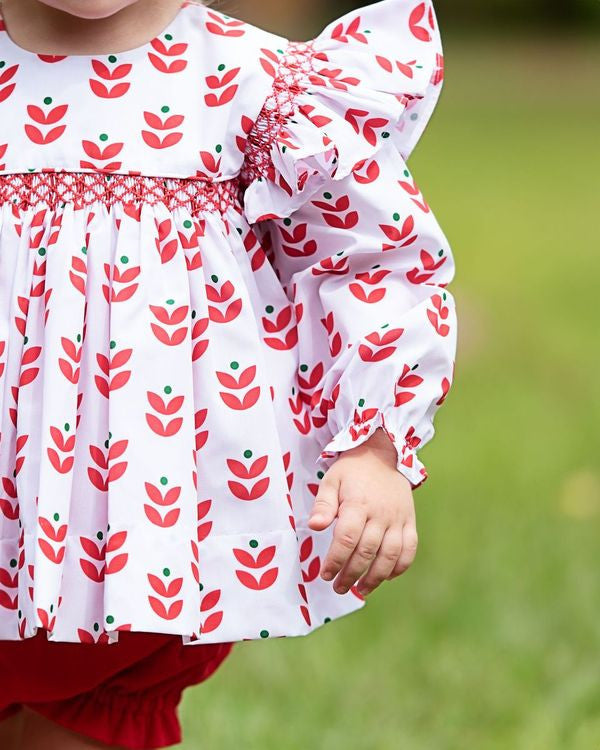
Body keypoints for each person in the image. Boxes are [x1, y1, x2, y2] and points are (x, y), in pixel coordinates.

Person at [0, 0, 458, 747]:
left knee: (82, 723)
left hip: (147, 527)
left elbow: (371, 262)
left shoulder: (256, 84)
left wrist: (374, 441)